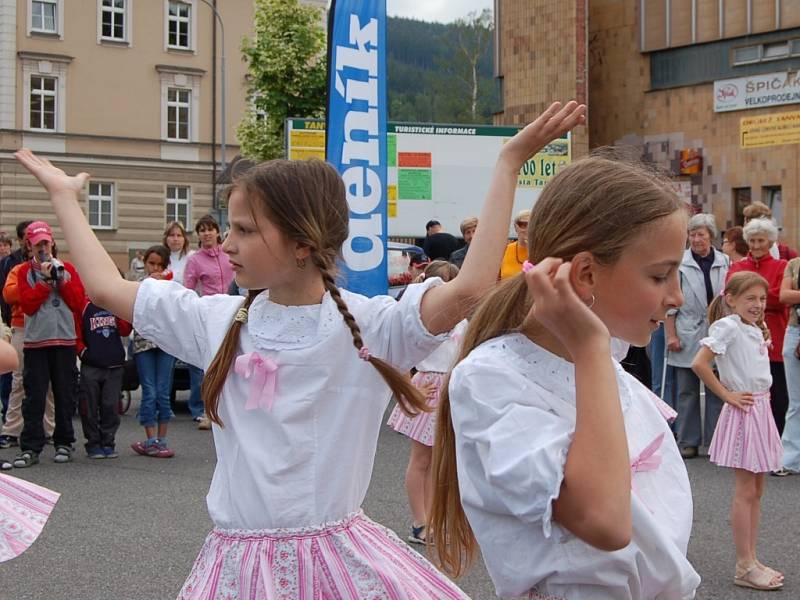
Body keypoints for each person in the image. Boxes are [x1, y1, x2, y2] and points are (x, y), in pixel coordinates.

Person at [15, 99, 586, 598]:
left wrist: (508, 162)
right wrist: (65, 197)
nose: (227, 244)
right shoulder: (217, 320)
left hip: (339, 562)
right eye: (230, 229)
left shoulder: (371, 325)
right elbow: (108, 288)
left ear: (301, 245)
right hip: (237, 567)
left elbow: (471, 286)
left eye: (244, 231)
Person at [429, 153, 700, 599]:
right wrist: (591, 348)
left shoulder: (604, 369)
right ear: (587, 272)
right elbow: (607, 523)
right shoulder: (492, 380)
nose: (677, 297)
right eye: (660, 276)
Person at [692, 271, 784, 590]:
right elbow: (700, 363)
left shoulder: (752, 327)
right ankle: (744, 566)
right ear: (730, 299)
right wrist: (727, 394)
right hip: (745, 410)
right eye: (751, 299)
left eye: (762, 299)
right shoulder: (728, 325)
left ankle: (751, 558)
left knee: (757, 490)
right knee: (746, 491)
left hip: (761, 408)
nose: (758, 305)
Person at [386, 260, 465, 545]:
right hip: (429, 388)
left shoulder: (462, 319)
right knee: (422, 459)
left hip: (451, 389)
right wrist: (410, 387)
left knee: (437, 462)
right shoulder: (419, 319)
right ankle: (420, 521)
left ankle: (431, 518)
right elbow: (398, 358)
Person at [13, 221, 84, 468]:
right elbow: (28, 305)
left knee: (65, 394)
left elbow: (77, 302)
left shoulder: (68, 269)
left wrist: (60, 280)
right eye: (37, 244)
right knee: (34, 397)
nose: (43, 247)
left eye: (46, 242)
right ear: (29, 246)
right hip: (36, 343)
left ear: (52, 242)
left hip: (64, 341)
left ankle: (64, 442)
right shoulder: (24, 272)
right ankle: (31, 447)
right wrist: (44, 282)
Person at [666, 213, 729, 458]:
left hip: (716, 332)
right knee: (687, 390)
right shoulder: (679, 263)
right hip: (687, 330)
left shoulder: (724, 262)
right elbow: (671, 302)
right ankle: (688, 440)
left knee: (716, 387)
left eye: (700, 234)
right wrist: (671, 335)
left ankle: (715, 440)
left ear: (710, 236)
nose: (696, 239)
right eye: (692, 234)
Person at [728, 218, 790, 435]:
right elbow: (730, 297)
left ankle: (777, 440)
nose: (755, 245)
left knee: (779, 396)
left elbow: (781, 299)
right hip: (743, 337)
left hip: (775, 336)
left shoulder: (781, 266)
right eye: (752, 240)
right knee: (749, 393)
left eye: (760, 240)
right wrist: (766, 297)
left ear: (770, 241)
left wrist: (750, 298)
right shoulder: (737, 266)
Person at [184, 215, 235, 430]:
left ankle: (230, 409)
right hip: (212, 313)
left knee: (232, 361)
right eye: (202, 230)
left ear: (217, 232)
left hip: (234, 309)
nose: (206, 234)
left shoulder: (228, 253)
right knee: (209, 364)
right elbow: (188, 288)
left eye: (210, 229)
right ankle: (206, 410)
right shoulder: (195, 260)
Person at [0, 257, 56, 450]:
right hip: (22, 326)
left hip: (48, 328)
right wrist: (35, 282)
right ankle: (12, 430)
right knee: (18, 381)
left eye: (45, 243)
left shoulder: (58, 266)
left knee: (48, 382)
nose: (41, 249)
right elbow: (9, 295)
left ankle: (49, 429)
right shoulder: (19, 270)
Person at [75, 288, 132, 459]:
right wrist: (84, 352)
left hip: (114, 365)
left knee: (111, 406)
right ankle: (93, 443)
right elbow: (76, 334)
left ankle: (108, 442)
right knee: (89, 407)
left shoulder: (114, 306)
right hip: (91, 365)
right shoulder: (83, 305)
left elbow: (125, 330)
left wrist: (119, 308)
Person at [131, 245, 176, 459]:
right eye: (151, 264)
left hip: (166, 343)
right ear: (145, 263)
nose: (155, 268)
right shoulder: (138, 285)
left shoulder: (172, 286)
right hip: (143, 344)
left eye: (160, 265)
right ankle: (150, 439)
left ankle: (162, 438)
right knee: (149, 391)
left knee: (163, 390)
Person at [776, 254, 800, 476]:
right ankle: (790, 459)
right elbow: (784, 295)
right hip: (795, 331)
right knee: (796, 401)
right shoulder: (794, 264)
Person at [499, 209, 530, 279]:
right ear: (516, 227)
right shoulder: (505, 250)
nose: (528, 228)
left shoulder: (541, 251)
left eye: (531, 224)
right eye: (523, 224)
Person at [163, 221, 194, 285]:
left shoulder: (192, 257)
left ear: (184, 239)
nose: (175, 239)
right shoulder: (161, 257)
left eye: (179, 235)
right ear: (166, 238)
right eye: (172, 235)